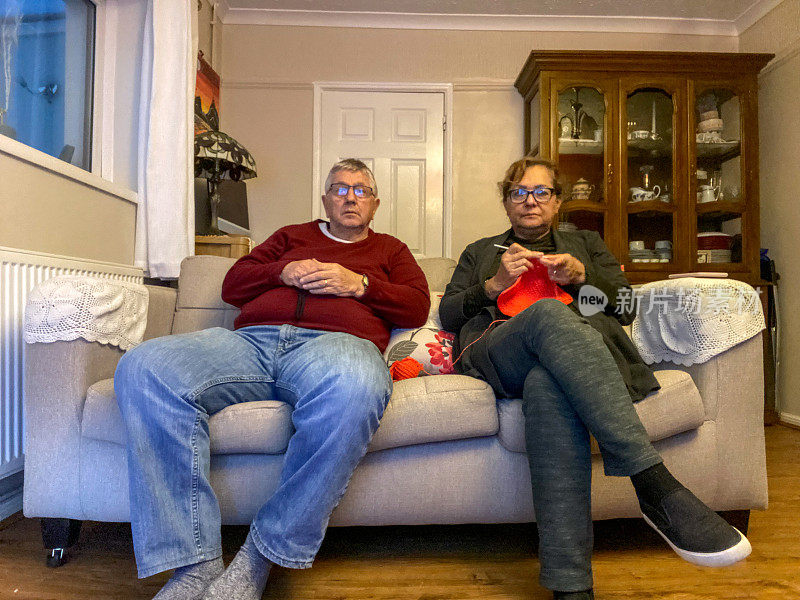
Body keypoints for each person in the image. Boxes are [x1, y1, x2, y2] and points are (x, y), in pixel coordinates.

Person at [115, 159, 430, 600]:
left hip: (335, 347)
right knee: (144, 368)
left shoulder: (391, 250)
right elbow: (233, 285)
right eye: (339, 188)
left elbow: (415, 306)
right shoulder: (289, 237)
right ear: (325, 200)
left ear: (374, 203)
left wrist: (359, 284)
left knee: (359, 384)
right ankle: (193, 566)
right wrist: (279, 271)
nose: (350, 196)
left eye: (361, 190)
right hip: (251, 343)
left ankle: (259, 558)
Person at [439, 156, 751, 600]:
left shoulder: (583, 244)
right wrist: (493, 284)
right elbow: (450, 315)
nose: (530, 201)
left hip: (572, 359)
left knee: (549, 386)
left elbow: (622, 307)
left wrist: (583, 280)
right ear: (507, 203)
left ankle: (572, 588)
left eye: (541, 192)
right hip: (501, 349)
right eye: (518, 193)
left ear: (558, 201)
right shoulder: (482, 250)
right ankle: (654, 483)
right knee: (546, 313)